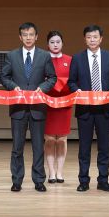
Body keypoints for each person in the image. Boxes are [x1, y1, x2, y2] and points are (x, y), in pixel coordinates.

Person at [1, 22, 57, 192]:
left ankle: (39, 180)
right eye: (24, 35)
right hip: (18, 108)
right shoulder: (12, 55)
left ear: (36, 36)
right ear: (20, 37)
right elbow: (4, 77)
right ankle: (17, 180)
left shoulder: (44, 56)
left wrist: (42, 88)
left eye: (31, 34)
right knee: (17, 147)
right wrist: (13, 87)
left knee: (38, 147)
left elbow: (52, 78)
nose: (28, 37)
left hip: (37, 108)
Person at [67, 24, 109, 193]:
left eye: (95, 37)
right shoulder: (77, 58)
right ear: (85, 39)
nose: (92, 40)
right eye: (89, 37)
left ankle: (103, 180)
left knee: (104, 147)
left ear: (101, 39)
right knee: (84, 148)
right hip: (85, 109)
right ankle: (83, 181)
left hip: (104, 109)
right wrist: (77, 90)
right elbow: (71, 81)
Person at [43, 30, 73, 184]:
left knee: (62, 139)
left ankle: (60, 172)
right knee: (49, 138)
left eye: (58, 42)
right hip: (47, 104)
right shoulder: (42, 59)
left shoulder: (70, 60)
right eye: (52, 42)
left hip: (64, 104)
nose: (55, 45)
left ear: (62, 43)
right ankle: (51, 172)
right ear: (47, 44)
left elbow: (74, 81)